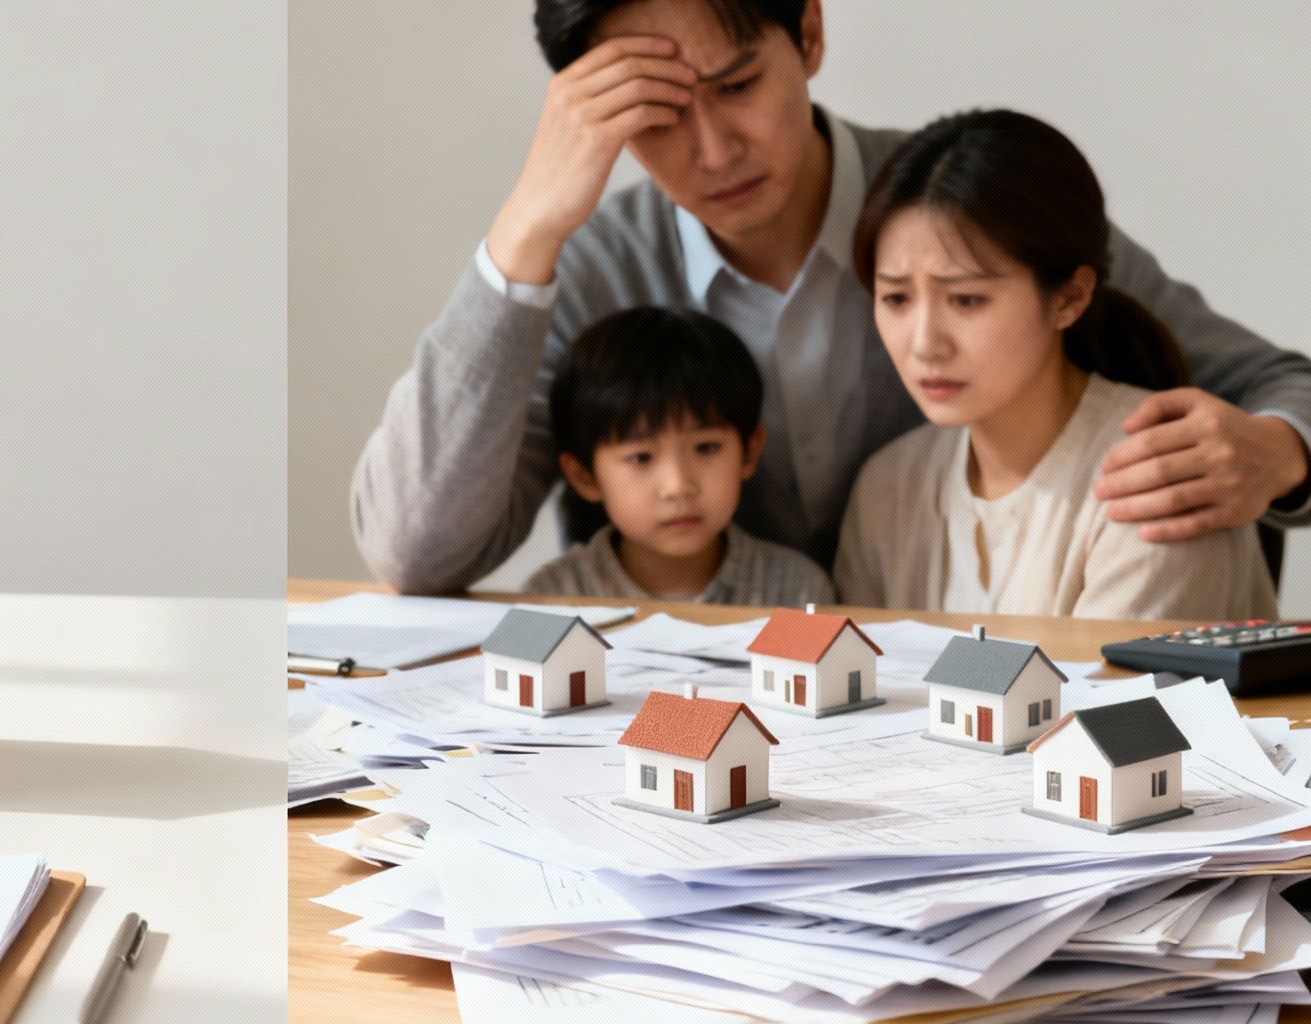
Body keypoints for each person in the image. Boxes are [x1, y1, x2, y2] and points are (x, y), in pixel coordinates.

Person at [350, 0, 1311, 595]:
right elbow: (414, 555)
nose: (714, 151)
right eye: (658, 114)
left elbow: (1277, 384)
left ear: (809, 33)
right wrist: (524, 233)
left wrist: (1277, 450)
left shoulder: (961, 213)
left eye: (737, 86)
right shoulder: (587, 267)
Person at [833, 111, 1275, 619]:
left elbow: (1112, 677)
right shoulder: (887, 489)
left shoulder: (1162, 478)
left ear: (1069, 297)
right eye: (896, 298)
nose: (924, 344)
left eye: (967, 300)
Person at [525, 306, 834, 603]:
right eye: (641, 457)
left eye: (706, 448)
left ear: (749, 452)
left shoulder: (797, 591)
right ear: (585, 476)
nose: (678, 486)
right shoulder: (551, 599)